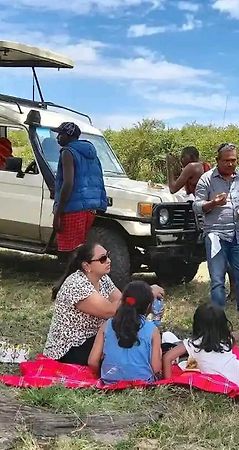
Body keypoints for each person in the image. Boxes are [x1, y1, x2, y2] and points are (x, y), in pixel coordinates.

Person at [43, 242, 164, 365]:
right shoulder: (76, 285)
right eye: (102, 258)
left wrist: (142, 300)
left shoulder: (103, 278)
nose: (109, 260)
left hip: (94, 338)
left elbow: (125, 303)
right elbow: (111, 311)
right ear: (86, 266)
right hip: (70, 349)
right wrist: (146, 293)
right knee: (125, 349)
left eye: (108, 255)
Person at [166, 145, 239, 300]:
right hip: (219, 215)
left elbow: (173, 189)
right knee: (225, 253)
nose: (182, 161)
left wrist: (169, 168)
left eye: (183, 158)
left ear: (188, 157)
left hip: (208, 215)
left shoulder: (191, 167)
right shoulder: (205, 167)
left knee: (219, 254)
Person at [194, 143, 239, 329]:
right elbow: (196, 206)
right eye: (227, 161)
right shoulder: (207, 179)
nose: (231, 164)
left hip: (238, 235)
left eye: (234, 160)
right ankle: (218, 323)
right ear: (218, 161)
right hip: (215, 235)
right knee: (217, 281)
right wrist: (213, 203)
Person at [162, 304, 239, 392]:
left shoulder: (193, 343)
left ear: (196, 324)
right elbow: (238, 334)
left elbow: (167, 357)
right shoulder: (225, 339)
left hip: (228, 383)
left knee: (185, 361)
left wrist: (168, 382)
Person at [52, 122, 107, 262]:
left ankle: (71, 281)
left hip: (72, 208)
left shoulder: (67, 152)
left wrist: (58, 213)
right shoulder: (91, 153)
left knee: (71, 252)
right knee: (80, 246)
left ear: (69, 136)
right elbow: (98, 179)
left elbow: (68, 183)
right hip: (90, 208)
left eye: (61, 134)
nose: (58, 137)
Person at [88, 280, 162, 383]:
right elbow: (156, 368)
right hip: (143, 382)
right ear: (149, 306)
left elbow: (92, 361)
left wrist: (99, 376)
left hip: (109, 381)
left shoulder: (107, 325)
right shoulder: (152, 329)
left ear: (123, 301)